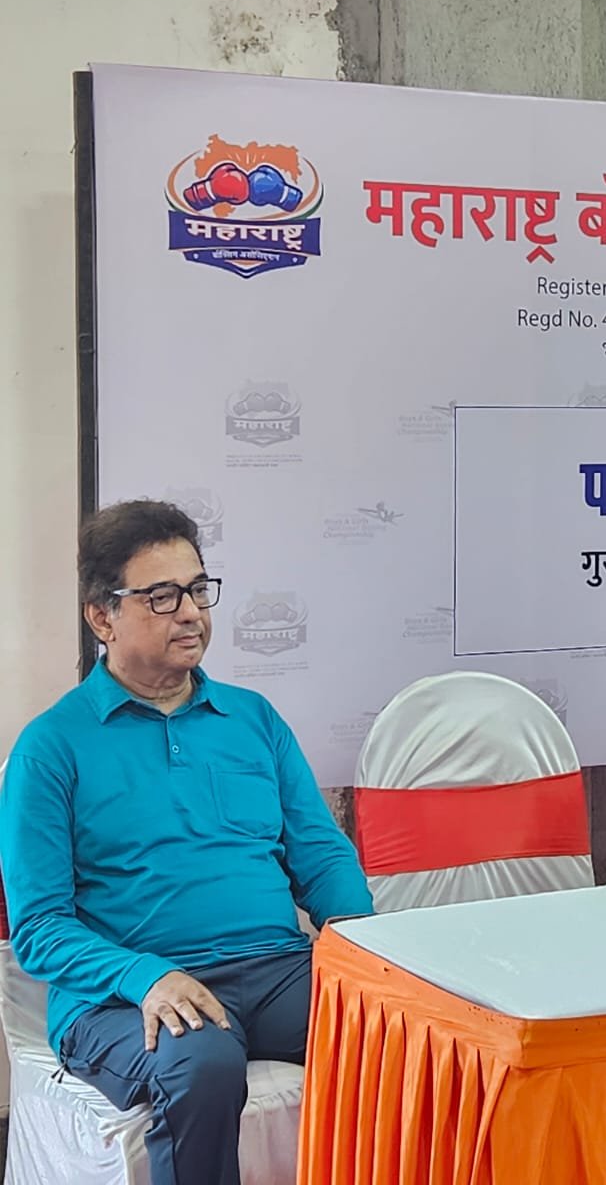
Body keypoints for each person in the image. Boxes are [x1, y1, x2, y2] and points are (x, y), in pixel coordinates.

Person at [0, 500, 373, 1185]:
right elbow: (40, 929)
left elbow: (321, 855)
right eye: (162, 596)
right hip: (123, 996)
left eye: (198, 590)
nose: (192, 613)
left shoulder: (253, 719)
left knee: (399, 1026)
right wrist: (146, 977)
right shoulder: (50, 748)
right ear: (102, 617)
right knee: (201, 1062)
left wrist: (362, 945)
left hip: (275, 967)